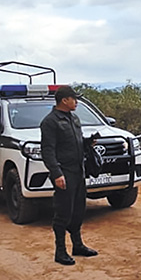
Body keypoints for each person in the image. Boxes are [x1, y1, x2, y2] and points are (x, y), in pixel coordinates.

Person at [40, 86, 98, 266]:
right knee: (63, 212)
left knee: (78, 210)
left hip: (78, 172)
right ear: (64, 100)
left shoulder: (74, 118)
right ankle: (60, 251)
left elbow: (76, 142)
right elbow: (47, 151)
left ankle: (77, 245)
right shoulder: (50, 122)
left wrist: (88, 142)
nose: (76, 102)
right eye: (74, 99)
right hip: (64, 173)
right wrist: (56, 173)